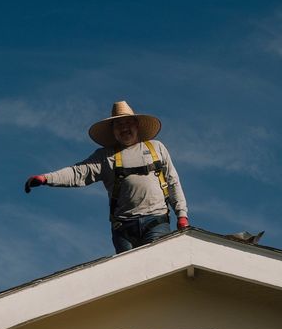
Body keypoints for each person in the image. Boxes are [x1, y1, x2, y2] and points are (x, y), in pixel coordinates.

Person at [24, 100, 190, 254]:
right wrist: (46, 178)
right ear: (113, 131)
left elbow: (172, 181)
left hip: (156, 222)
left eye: (127, 122)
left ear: (137, 125)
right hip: (123, 228)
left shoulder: (156, 148)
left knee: (158, 268)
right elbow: (78, 172)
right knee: (130, 277)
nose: (124, 127)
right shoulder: (105, 156)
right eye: (119, 124)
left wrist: (181, 214)